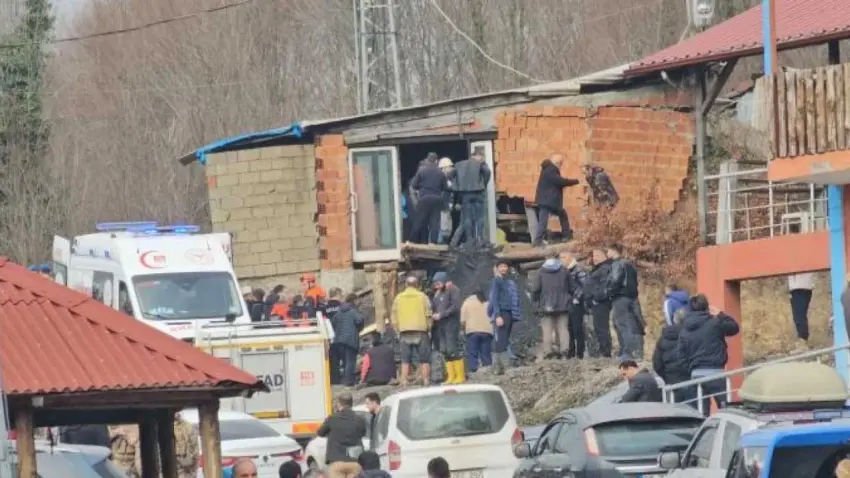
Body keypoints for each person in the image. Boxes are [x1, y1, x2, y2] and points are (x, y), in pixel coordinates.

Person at [678, 294, 740, 415]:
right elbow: (734, 328)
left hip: (696, 376)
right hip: (716, 373)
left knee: (701, 414)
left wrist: (691, 370)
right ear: (707, 307)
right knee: (727, 411)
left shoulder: (684, 330)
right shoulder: (715, 323)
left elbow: (681, 356)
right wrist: (721, 314)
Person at [529, 249, 576, 360]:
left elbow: (535, 289)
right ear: (557, 257)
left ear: (545, 258)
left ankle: (548, 352)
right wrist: (568, 297)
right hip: (563, 304)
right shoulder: (564, 270)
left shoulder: (541, 271)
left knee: (547, 330)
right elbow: (572, 287)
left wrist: (535, 301)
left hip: (546, 305)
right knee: (563, 329)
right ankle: (564, 351)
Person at [390, 275, 433, 386]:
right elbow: (428, 313)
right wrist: (429, 327)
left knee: (405, 359)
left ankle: (404, 381)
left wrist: (397, 330)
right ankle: (426, 380)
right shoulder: (422, 297)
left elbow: (393, 315)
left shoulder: (399, 298)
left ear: (406, 285)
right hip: (421, 330)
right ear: (417, 285)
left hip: (404, 331)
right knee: (424, 359)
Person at [607, 243, 645, 360]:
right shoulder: (631, 264)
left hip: (620, 297)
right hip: (633, 297)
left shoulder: (617, 264)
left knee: (622, 325)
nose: (607, 253)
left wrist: (609, 292)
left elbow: (615, 280)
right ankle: (638, 352)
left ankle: (627, 352)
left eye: (608, 250)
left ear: (614, 251)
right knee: (636, 324)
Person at [532, 154, 579, 247]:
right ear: (558, 163)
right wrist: (575, 181)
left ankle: (565, 236)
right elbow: (559, 181)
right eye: (561, 164)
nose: (561, 166)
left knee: (559, 215)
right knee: (544, 221)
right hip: (548, 201)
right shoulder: (551, 169)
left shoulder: (547, 169)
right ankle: (538, 241)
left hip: (546, 200)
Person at [317, 393, 367, 478]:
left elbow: (320, 433)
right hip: (355, 461)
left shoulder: (332, 418)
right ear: (352, 404)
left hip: (337, 461)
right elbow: (363, 434)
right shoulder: (360, 419)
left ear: (339, 404)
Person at [451, 146, 492, 247]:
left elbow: (450, 175)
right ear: (478, 156)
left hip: (465, 194)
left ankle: (470, 239)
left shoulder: (459, 164)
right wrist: (484, 184)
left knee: (467, 218)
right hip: (478, 192)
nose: (482, 159)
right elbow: (487, 172)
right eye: (482, 157)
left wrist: (458, 186)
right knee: (480, 217)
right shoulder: (481, 164)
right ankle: (480, 238)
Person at [488, 261, 522, 375]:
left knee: (505, 338)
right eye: (501, 266)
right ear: (497, 268)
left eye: (505, 266)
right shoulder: (496, 281)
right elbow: (495, 299)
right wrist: (497, 315)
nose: (503, 269)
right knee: (501, 339)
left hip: (509, 312)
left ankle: (498, 367)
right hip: (501, 312)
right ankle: (504, 366)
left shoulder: (508, 281)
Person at [431, 271, 464, 383]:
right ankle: (451, 376)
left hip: (451, 323)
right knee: (444, 350)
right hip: (441, 325)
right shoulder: (437, 294)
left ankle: (460, 375)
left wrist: (442, 314)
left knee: (452, 349)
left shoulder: (454, 290)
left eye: (439, 283)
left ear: (444, 281)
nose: (437, 286)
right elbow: (436, 306)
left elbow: (455, 307)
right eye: (435, 284)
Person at [409, 153, 448, 244]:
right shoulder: (441, 173)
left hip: (424, 198)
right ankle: (433, 242)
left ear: (427, 160)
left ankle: (411, 240)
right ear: (436, 161)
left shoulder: (422, 171)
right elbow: (445, 188)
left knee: (419, 220)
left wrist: (422, 188)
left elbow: (414, 185)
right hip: (437, 198)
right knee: (435, 221)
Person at [652, 308, 690, 403]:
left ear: (674, 320)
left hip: (671, 382)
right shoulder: (690, 335)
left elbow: (657, 363)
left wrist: (666, 377)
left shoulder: (663, 338)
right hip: (689, 380)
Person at [584, 248, 613, 358]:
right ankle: (603, 350)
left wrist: (595, 298)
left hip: (601, 303)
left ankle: (605, 352)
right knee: (598, 328)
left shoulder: (605, 268)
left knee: (602, 328)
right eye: (594, 255)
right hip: (595, 302)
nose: (595, 258)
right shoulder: (598, 268)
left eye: (597, 255)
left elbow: (604, 286)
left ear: (605, 256)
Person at [332, 293, 365, 386]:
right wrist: (358, 329)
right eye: (358, 300)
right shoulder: (353, 311)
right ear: (354, 300)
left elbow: (333, 323)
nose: (359, 302)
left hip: (338, 340)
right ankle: (349, 382)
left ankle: (341, 381)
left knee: (344, 362)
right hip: (350, 340)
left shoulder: (339, 311)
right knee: (350, 362)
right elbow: (360, 320)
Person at [461, 287, 493, 373]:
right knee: (486, 352)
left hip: (472, 331)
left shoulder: (467, 303)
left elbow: (463, 320)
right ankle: (488, 369)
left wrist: (463, 329)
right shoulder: (487, 303)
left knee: (472, 352)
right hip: (487, 331)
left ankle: (473, 369)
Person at [563, 252, 587, 359]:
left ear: (570, 258)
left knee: (577, 328)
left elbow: (584, 286)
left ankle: (580, 353)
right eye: (561, 257)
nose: (562, 259)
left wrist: (576, 298)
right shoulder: (564, 271)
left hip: (576, 304)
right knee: (569, 329)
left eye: (564, 257)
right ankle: (571, 352)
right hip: (566, 303)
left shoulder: (578, 269)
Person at [788, 271, 813, 347]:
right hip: (795, 287)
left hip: (801, 287)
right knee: (797, 316)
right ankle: (802, 340)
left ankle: (803, 340)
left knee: (799, 315)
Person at [326, 287, 344, 384]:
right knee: (344, 360)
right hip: (341, 335)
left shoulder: (325, 307)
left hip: (329, 337)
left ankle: (333, 381)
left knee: (332, 361)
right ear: (338, 294)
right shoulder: (342, 306)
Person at [437, 157, 456, 244]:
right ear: (443, 168)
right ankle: (440, 245)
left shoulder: (449, 179)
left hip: (447, 208)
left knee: (447, 228)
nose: (451, 169)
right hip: (442, 207)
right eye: (449, 167)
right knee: (443, 228)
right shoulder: (440, 179)